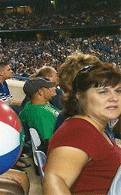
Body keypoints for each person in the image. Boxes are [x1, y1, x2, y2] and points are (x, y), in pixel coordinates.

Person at [43, 62, 121, 194]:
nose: (114, 98)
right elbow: (54, 180)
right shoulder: (80, 131)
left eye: (118, 91)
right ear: (80, 96)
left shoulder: (92, 127)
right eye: (103, 92)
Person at [19, 77, 60, 152]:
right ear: (40, 92)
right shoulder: (41, 113)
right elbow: (49, 141)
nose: (54, 88)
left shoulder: (32, 105)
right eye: (48, 87)